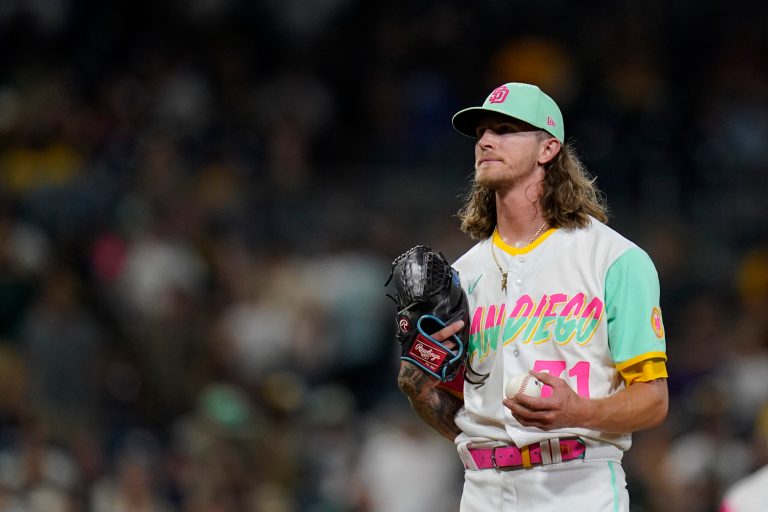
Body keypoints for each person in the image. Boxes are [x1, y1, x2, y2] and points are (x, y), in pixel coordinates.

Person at [396, 82, 669, 512]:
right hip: (482, 487)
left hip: (577, 483)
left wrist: (577, 411)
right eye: (482, 132)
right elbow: (468, 417)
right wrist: (421, 391)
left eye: (505, 129)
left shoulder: (614, 260)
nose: (486, 141)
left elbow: (653, 401)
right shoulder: (462, 275)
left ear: (548, 150)